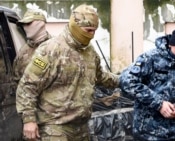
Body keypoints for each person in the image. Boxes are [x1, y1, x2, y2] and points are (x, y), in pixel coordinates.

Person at [16, 4, 119, 141]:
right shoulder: (51, 50)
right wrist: (29, 120)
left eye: (94, 31)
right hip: (54, 127)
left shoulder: (90, 52)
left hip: (80, 127)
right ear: (76, 26)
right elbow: (27, 86)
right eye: (88, 30)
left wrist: (123, 79)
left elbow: (100, 76)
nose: (91, 35)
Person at [119, 27, 175, 141]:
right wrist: (158, 104)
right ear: (170, 45)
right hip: (148, 132)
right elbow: (126, 81)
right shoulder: (150, 58)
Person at [13, 9, 52, 84]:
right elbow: (15, 80)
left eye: (28, 23)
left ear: (41, 23)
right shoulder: (23, 51)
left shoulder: (57, 46)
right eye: (23, 24)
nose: (25, 27)